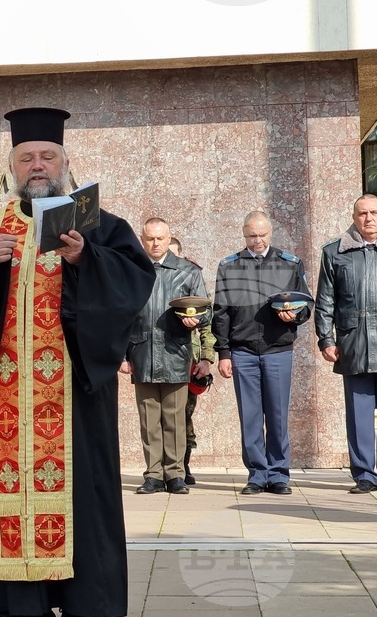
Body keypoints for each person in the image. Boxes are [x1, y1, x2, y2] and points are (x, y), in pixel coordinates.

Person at [0, 107, 155, 617]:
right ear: (13, 166)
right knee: (7, 491)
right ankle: (20, 605)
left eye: (47, 156)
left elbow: (134, 279)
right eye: (27, 158)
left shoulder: (94, 221)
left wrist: (87, 262)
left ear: (62, 160)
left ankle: (82, 602)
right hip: (7, 389)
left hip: (73, 389)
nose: (38, 165)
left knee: (81, 490)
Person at [213, 210, 311, 496]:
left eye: (262, 235)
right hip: (242, 351)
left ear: (270, 233)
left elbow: (305, 303)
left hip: (278, 349)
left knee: (278, 415)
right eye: (251, 235)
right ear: (244, 234)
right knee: (251, 416)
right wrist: (224, 352)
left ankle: (279, 474)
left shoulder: (289, 263)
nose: (257, 240)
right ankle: (257, 474)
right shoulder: (229, 266)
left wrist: (295, 316)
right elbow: (221, 312)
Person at [122, 218, 212, 496]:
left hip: (176, 352)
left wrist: (195, 320)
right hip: (142, 353)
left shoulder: (188, 271)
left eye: (160, 238)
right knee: (149, 420)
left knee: (174, 419)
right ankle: (152, 475)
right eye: (150, 239)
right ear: (142, 239)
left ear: (169, 237)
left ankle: (175, 474)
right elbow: (121, 315)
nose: (155, 244)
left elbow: (207, 311)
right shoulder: (132, 270)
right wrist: (122, 355)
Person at [315, 194, 377, 494]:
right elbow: (325, 301)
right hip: (355, 344)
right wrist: (326, 339)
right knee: (359, 414)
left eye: (374, 212)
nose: (369, 218)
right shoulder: (335, 253)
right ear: (354, 217)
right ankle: (365, 473)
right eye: (363, 213)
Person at [167, 237, 216, 486]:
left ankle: (182, 465)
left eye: (176, 255)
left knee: (185, 415)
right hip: (164, 357)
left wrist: (207, 358)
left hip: (190, 360)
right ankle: (164, 467)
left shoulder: (192, 280)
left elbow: (208, 326)